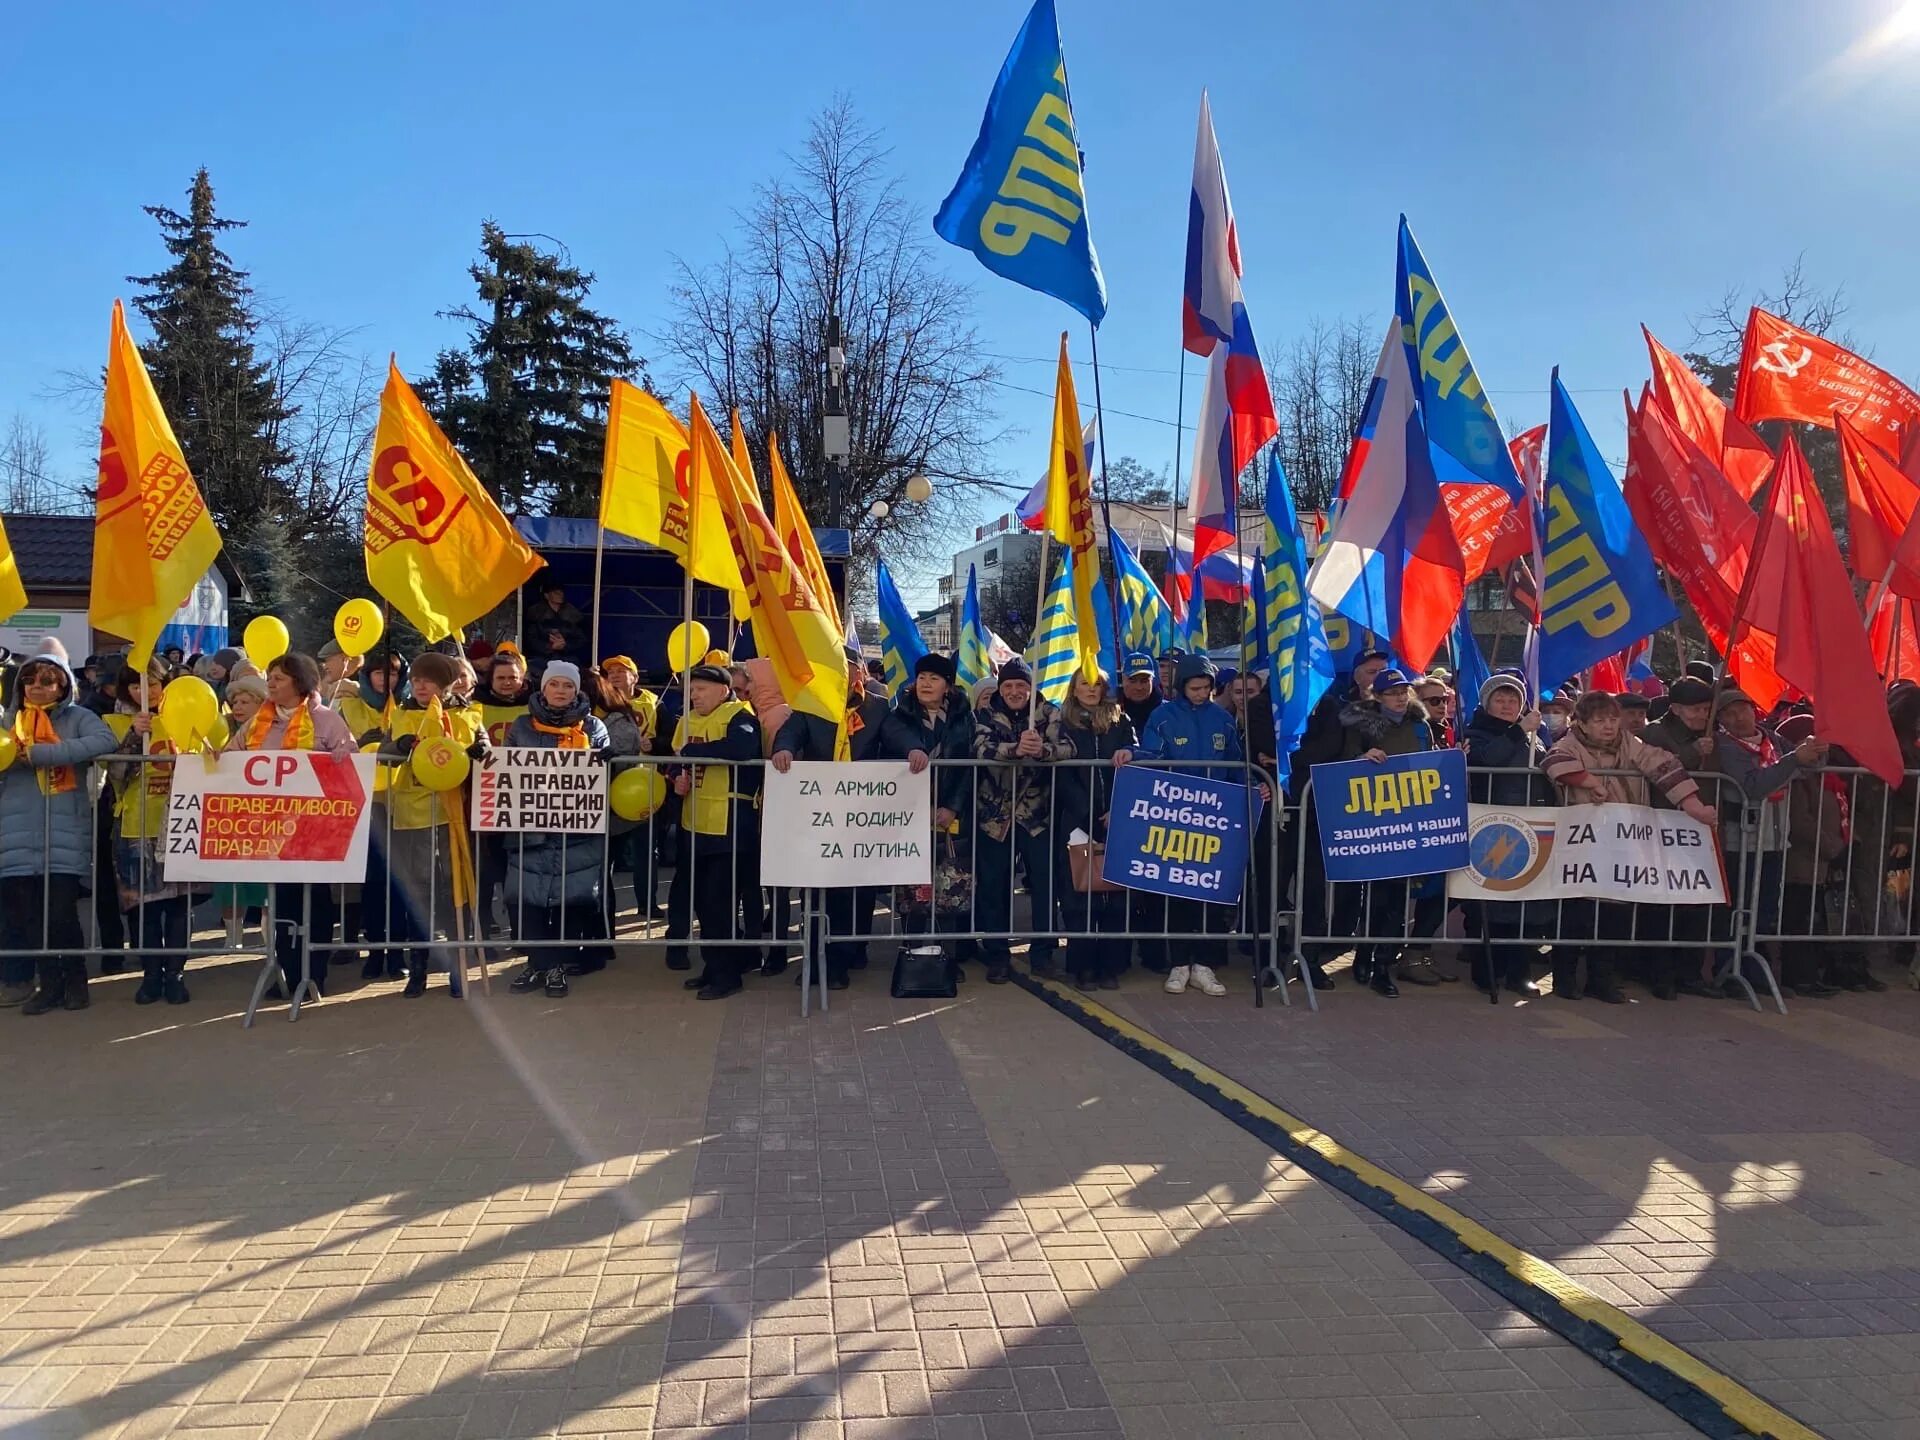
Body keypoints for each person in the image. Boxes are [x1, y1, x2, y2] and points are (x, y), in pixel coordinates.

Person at [1544, 691, 1717, 1002]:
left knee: (1615, 917)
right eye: (1599, 721)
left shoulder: (1630, 743)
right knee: (1575, 916)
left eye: (1612, 719)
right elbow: (1554, 761)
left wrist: (1693, 806)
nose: (1609, 726)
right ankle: (1565, 980)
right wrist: (1589, 782)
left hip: (1623, 844)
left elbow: (1661, 764)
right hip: (1584, 843)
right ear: (1582, 723)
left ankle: (1602, 980)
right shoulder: (1570, 743)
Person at [771, 648, 911, 988]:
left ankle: (841, 960)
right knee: (815, 891)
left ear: (859, 673)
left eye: (846, 668)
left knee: (851, 893)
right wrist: (783, 749)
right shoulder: (811, 703)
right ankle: (814, 959)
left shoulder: (877, 707)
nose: (841, 674)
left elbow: (897, 735)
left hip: (858, 816)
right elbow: (791, 731)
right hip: (819, 815)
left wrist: (913, 750)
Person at [229, 652, 356, 998]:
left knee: (314, 900)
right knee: (281, 903)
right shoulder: (258, 723)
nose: (271, 683)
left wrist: (339, 760)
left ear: (300, 683)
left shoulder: (326, 721)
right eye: (270, 677)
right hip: (272, 832)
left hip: (315, 831)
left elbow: (350, 762)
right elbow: (232, 754)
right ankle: (285, 971)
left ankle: (314, 973)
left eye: (279, 678)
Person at [1120, 653, 1246, 997]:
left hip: (1214, 820)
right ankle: (1178, 964)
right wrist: (1133, 755)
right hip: (1175, 818)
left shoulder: (1222, 719)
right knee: (1176, 893)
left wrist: (1253, 784)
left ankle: (1204, 965)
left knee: (1210, 893)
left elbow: (1234, 763)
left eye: (1206, 688)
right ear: (1181, 687)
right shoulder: (1163, 716)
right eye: (1194, 688)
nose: (1200, 694)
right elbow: (1152, 755)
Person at [0, 649, 117, 1012]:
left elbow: (105, 741)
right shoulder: (9, 721)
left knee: (62, 913)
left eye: (47, 681)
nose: (37, 687)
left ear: (63, 685)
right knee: (31, 917)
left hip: (64, 830)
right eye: (31, 680)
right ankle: (48, 985)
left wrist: (41, 754)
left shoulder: (78, 717)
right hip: (16, 832)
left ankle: (75, 980)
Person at [382, 652, 489, 998]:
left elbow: (484, 745)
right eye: (415, 680)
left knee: (453, 895)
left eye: (428, 680)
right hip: (413, 816)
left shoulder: (467, 712)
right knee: (420, 894)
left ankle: (458, 970)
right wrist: (397, 747)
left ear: (445, 684)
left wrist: (479, 749)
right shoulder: (402, 714)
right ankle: (418, 970)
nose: (420, 685)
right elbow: (385, 752)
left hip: (454, 816)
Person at [1709, 687, 1826, 999]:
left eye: (1742, 709)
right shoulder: (1725, 747)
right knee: (1736, 908)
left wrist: (1816, 748)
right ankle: (1728, 968)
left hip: (1773, 839)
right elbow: (1752, 785)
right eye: (1729, 713)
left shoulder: (1771, 739)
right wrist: (1793, 760)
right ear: (1720, 719)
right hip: (1740, 842)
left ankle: (1754, 968)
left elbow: (1808, 764)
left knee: (1762, 910)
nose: (1738, 717)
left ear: (1753, 709)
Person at [502, 662, 611, 997]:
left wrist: (609, 760)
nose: (561, 691)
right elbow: (506, 767)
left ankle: (556, 967)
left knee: (570, 903)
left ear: (577, 690)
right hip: (531, 830)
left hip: (576, 833)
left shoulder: (593, 727)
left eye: (567, 686)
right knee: (529, 901)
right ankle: (540, 964)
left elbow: (606, 774)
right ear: (543, 688)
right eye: (555, 685)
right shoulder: (521, 726)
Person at [1332, 668, 1439, 996]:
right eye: (1391, 693)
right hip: (1375, 819)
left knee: (1397, 899)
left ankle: (1383, 963)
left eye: (1403, 692)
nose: (1398, 698)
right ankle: (1364, 955)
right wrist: (1362, 757)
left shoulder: (1420, 726)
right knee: (1376, 896)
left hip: (1410, 819)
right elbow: (1345, 759)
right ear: (1377, 697)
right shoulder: (1362, 725)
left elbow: (1430, 763)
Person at [972, 658, 1071, 984]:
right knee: (993, 888)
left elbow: (1069, 748)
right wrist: (1013, 749)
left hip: (1037, 816)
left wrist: (1043, 751)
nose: (1015, 692)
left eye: (1021, 686)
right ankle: (997, 954)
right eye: (1009, 686)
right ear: (1001, 688)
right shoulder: (985, 713)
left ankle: (1042, 953)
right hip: (994, 817)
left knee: (1044, 886)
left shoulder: (1050, 713)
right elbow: (977, 748)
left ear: (1031, 687)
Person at [670, 662, 763, 999]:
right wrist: (675, 777)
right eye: (691, 690)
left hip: (731, 825)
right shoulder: (686, 720)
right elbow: (673, 761)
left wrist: (694, 752)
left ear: (723, 690)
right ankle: (715, 965)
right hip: (694, 822)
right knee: (704, 904)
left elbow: (741, 750)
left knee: (720, 901)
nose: (693, 696)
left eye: (700, 689)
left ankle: (728, 975)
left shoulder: (741, 716)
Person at [107, 666, 195, 1005]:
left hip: (182, 824)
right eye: (136, 687)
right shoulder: (113, 723)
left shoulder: (186, 713)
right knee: (143, 909)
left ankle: (175, 973)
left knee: (177, 905)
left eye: (153, 684)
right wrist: (132, 735)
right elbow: (114, 773)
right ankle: (150, 974)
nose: (146, 692)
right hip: (136, 827)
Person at [1459, 674, 1549, 993]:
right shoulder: (1475, 733)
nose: (1508, 705)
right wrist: (1518, 731)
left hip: (1530, 827)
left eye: (1513, 700)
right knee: (1490, 905)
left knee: (1525, 905)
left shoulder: (1535, 736)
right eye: (1500, 699)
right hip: (1490, 826)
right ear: (1487, 703)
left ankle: (1519, 972)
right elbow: (1488, 759)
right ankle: (1487, 972)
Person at [891, 652, 977, 956]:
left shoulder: (964, 718)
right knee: (913, 891)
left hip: (951, 817)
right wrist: (918, 807)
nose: (926, 684)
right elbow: (893, 753)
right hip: (911, 815)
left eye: (934, 678)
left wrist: (952, 807)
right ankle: (914, 953)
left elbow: (969, 767)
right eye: (922, 678)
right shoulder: (900, 715)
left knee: (950, 887)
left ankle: (947, 958)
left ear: (948, 686)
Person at [1056, 674, 1137, 992]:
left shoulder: (1121, 719)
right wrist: (1088, 817)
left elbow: (1135, 760)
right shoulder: (1062, 722)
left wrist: (1118, 809)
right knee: (1079, 897)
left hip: (1118, 819)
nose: (1090, 690)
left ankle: (1111, 965)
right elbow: (1062, 775)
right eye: (1084, 684)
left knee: (1116, 898)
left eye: (1096, 685)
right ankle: (1082, 966)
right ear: (1074, 688)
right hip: (1077, 822)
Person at [1119, 652, 1162, 735]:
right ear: (1123, 680)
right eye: (1133, 681)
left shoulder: (1166, 712)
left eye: (1144, 681)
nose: (1139, 687)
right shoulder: (1110, 713)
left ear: (1152, 681)